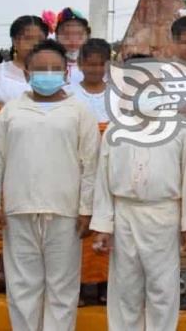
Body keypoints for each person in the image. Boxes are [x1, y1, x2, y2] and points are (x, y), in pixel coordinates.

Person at [0, 40, 99, 331]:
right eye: (40, 68)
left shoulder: (79, 111)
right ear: (27, 73)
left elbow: (91, 165)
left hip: (66, 212)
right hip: (19, 210)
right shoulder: (11, 112)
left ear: (66, 73)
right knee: (22, 288)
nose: (47, 73)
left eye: (55, 69)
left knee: (62, 289)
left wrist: (87, 209)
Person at [91, 59, 186, 331]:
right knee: (124, 288)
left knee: (162, 288)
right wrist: (103, 225)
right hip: (124, 215)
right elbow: (102, 182)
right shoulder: (114, 131)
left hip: (164, 216)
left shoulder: (181, 130)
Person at [0, 15, 49, 296]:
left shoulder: (49, 71)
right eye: (26, 37)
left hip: (43, 149)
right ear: (14, 41)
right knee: (4, 208)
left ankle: (38, 273)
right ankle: (1, 271)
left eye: (39, 38)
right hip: (6, 149)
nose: (32, 43)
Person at [71, 38, 112, 306]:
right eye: (90, 63)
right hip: (79, 168)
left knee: (107, 223)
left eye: (101, 64)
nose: (95, 69)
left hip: (110, 167)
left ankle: (107, 283)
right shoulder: (69, 94)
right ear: (80, 63)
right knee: (83, 224)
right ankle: (84, 283)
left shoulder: (119, 95)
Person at [0, 15, 49, 116]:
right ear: (15, 41)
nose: (35, 44)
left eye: (40, 40)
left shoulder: (52, 74)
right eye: (28, 38)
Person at [54, 7, 90, 87]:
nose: (73, 40)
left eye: (79, 35)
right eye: (67, 35)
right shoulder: (48, 66)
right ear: (57, 36)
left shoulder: (95, 67)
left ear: (87, 36)